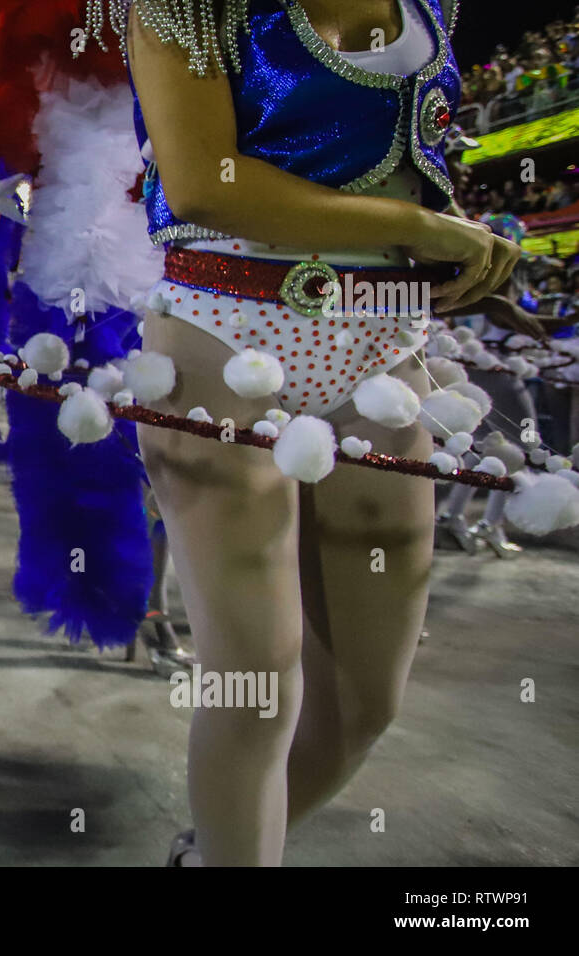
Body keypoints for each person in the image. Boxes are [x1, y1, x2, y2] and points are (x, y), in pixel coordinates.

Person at [92, 0, 528, 865]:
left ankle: (210, 854)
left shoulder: (430, 7)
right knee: (254, 692)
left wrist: (459, 254)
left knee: (368, 702)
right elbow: (206, 183)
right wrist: (418, 226)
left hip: (388, 350)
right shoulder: (188, 6)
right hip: (225, 338)